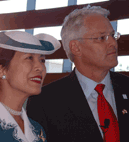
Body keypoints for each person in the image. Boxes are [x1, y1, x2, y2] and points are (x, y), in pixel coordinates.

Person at [27, 5, 129, 142]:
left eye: (112, 35)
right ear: (76, 48)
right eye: (101, 37)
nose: (113, 43)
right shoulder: (45, 102)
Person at [0, 31, 61, 142]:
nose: (40, 67)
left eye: (42, 60)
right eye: (29, 58)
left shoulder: (37, 129)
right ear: (0, 69)